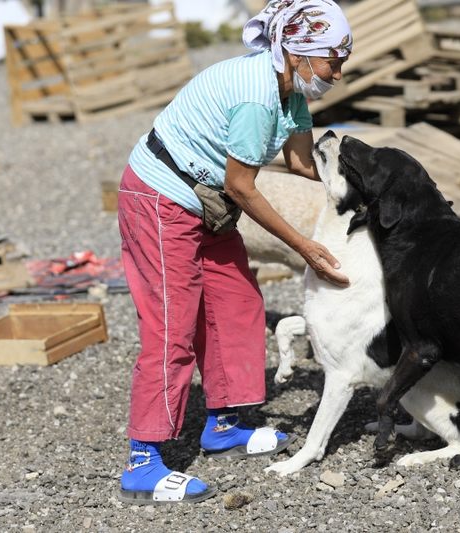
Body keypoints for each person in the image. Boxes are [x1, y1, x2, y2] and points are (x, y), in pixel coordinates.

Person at [117, 0, 353, 504]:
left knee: (237, 303)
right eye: (333, 59)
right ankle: (143, 460)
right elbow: (243, 186)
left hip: (207, 203)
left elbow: (302, 163)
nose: (338, 71)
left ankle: (221, 427)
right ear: (299, 51)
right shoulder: (257, 97)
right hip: (160, 197)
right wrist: (306, 246)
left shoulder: (292, 92)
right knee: (171, 325)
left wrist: (363, 182)